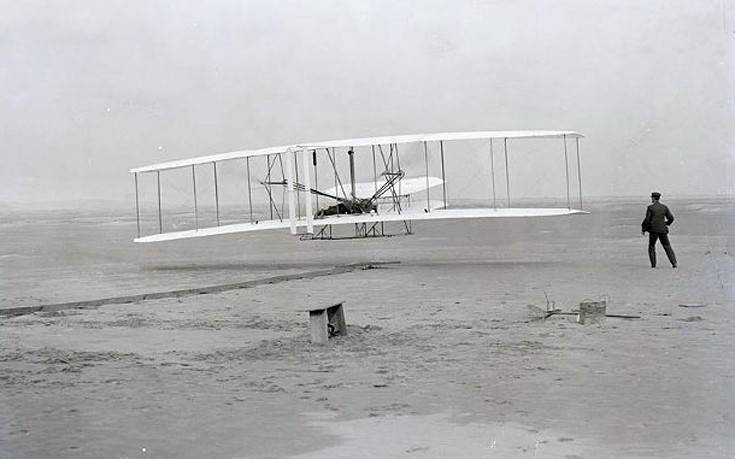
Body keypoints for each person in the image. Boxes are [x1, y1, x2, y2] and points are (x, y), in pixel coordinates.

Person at [641, 192, 677, 268]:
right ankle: (674, 263)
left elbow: (647, 219)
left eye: (652, 198)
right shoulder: (664, 207)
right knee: (667, 246)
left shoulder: (650, 207)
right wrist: (666, 223)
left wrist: (643, 228)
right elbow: (671, 218)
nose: (651, 199)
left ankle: (653, 265)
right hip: (663, 230)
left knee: (651, 246)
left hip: (653, 230)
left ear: (654, 198)